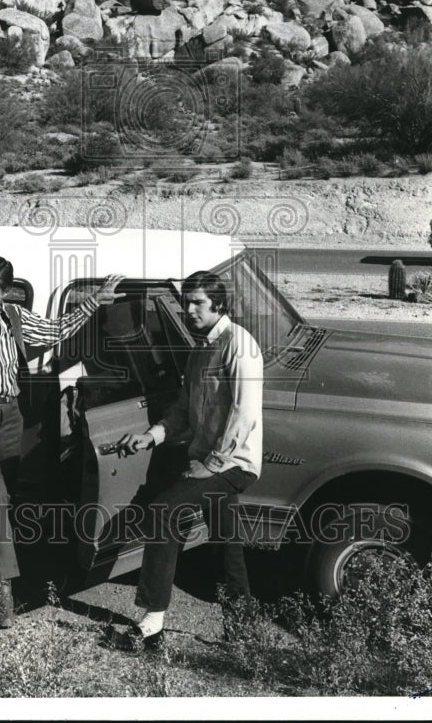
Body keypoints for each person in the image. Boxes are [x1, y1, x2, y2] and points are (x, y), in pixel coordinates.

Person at [0, 255, 124, 628]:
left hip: (11, 417)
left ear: (6, 293)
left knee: (0, 499)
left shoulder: (15, 319)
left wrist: (94, 301)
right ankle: (2, 592)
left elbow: (56, 330)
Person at [116, 269, 263, 649]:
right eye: (186, 302)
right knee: (226, 541)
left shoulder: (239, 345)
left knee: (163, 511)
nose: (189, 309)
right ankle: (242, 630)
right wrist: (151, 436)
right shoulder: (199, 350)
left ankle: (151, 622)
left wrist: (210, 464)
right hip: (207, 460)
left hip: (234, 464)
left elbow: (244, 415)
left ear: (219, 304)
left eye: (197, 302)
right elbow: (183, 412)